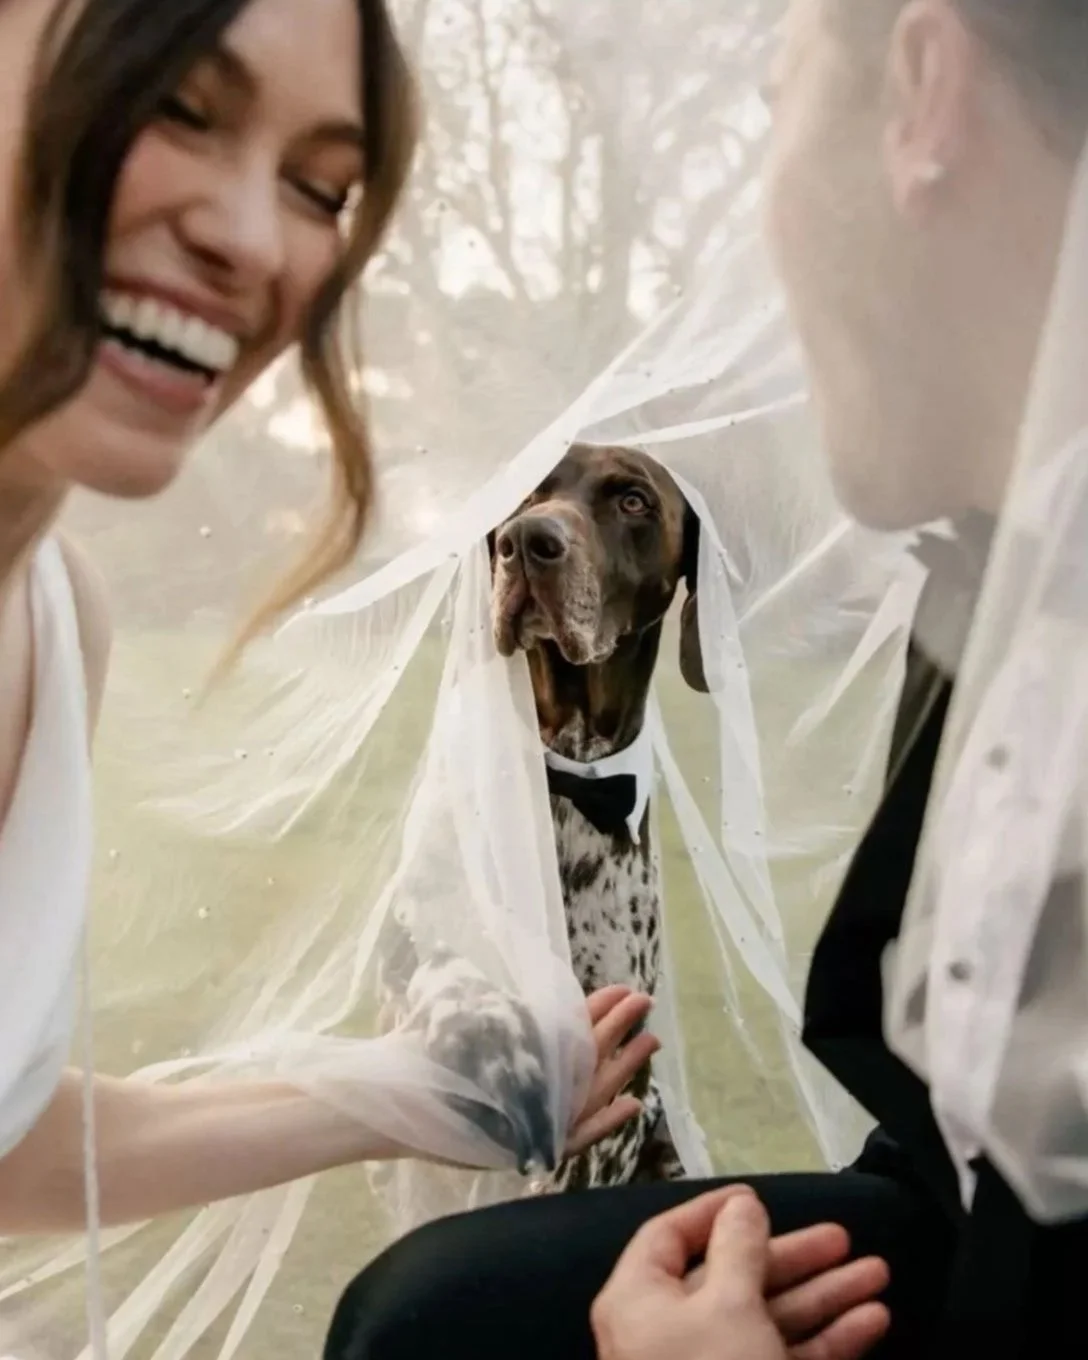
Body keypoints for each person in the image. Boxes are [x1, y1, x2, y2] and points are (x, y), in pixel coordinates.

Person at [320, 2, 1088, 1357]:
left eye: (774, 110)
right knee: (417, 1314)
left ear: (925, 94)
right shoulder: (1002, 572)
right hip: (950, 1204)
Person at [0, 0, 658, 1238]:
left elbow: (12, 1148)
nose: (256, 240)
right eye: (179, 109)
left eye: (322, 189)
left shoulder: (56, 620)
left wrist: (419, 1091)